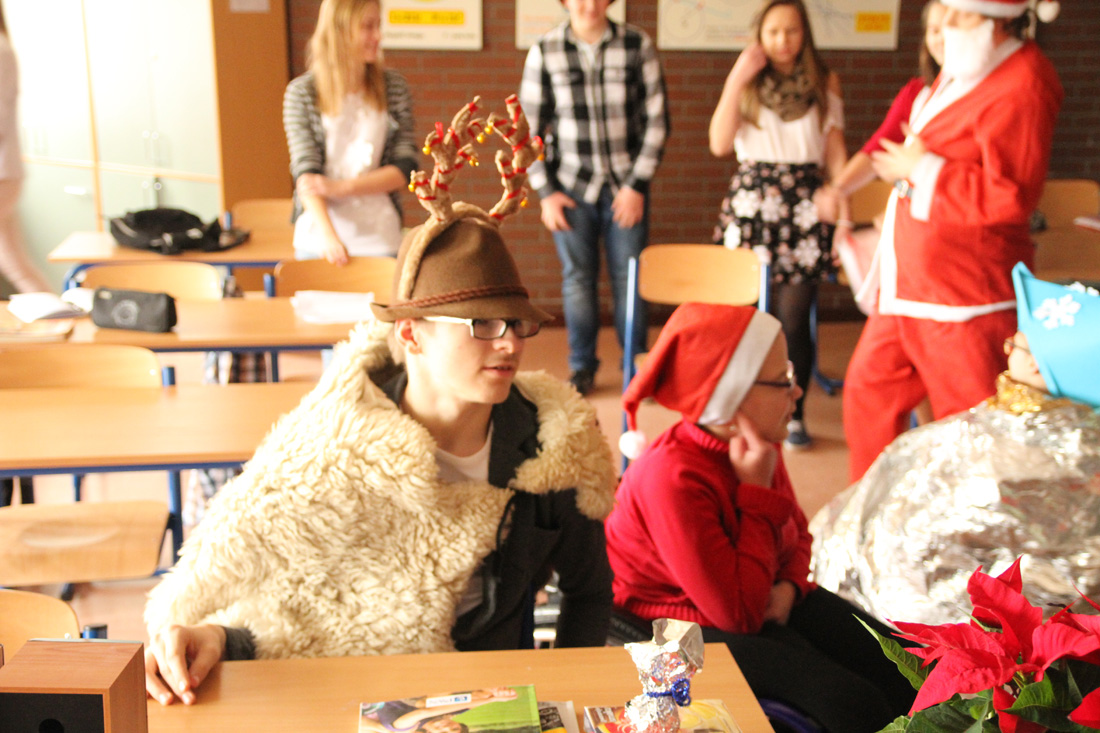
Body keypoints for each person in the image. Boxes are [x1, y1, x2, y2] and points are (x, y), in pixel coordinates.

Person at [144, 97, 617, 706]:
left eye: (517, 323)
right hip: (359, 696)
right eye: (480, 325)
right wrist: (211, 636)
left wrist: (566, 695)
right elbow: (303, 610)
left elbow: (589, 591)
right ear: (411, 335)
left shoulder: (554, 445)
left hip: (488, 703)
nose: (509, 344)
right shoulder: (331, 447)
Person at [607, 302, 914, 733]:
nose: (798, 391)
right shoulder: (669, 478)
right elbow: (739, 616)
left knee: (906, 663)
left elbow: (798, 536)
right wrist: (756, 492)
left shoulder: (759, 446)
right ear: (730, 397)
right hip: (682, 625)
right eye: (783, 381)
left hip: (757, 591)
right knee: (853, 703)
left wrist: (790, 586)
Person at [843, 0, 1064, 481]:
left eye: (956, 15)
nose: (943, 26)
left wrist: (922, 168)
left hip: (963, 295)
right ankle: (872, 509)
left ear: (996, 20)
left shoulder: (1024, 81)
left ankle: (972, 525)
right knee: (867, 396)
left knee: (970, 429)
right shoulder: (966, 65)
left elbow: (1011, 195)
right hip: (911, 286)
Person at [812, 263, 1100, 627]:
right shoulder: (1074, 439)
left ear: (1037, 366)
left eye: (1014, 344)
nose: (1007, 350)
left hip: (922, 612)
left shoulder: (1003, 451)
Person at [708, 0, 848, 450]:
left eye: (791, 31)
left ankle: (794, 413)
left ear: (804, 35)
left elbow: (835, 151)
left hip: (804, 205)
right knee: (744, 318)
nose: (782, 40)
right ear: (760, 36)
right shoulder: (748, 82)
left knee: (793, 318)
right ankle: (741, 410)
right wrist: (737, 77)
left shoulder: (824, 81)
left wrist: (840, 200)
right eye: (773, 32)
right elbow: (719, 143)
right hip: (753, 204)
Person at [519, 0, 669, 396]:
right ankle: (582, 366)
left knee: (629, 279)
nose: (589, 4)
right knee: (578, 280)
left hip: (626, 188)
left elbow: (657, 121)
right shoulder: (545, 50)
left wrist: (637, 185)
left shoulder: (637, 45)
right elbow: (529, 133)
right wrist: (546, 192)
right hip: (570, 189)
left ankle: (635, 365)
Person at [283, 0, 417, 264]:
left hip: (380, 235)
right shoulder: (302, 93)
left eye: (378, 26)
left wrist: (339, 188)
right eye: (368, 27)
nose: (378, 36)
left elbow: (404, 168)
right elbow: (306, 175)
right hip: (319, 237)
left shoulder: (394, 87)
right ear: (340, 30)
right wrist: (329, 237)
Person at [0, 8, 51, 294]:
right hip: (6, 174)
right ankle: (61, 317)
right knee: (17, 266)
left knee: (16, 266)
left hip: (3, 174)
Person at [359, 687, 518, 733]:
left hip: (389, 691)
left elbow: (426, 711)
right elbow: (471, 702)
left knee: (426, 704)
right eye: (454, 729)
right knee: (479, 696)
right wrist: (492, 695)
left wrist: (493, 700)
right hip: (417, 688)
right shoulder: (448, 713)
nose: (447, 728)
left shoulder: (404, 729)